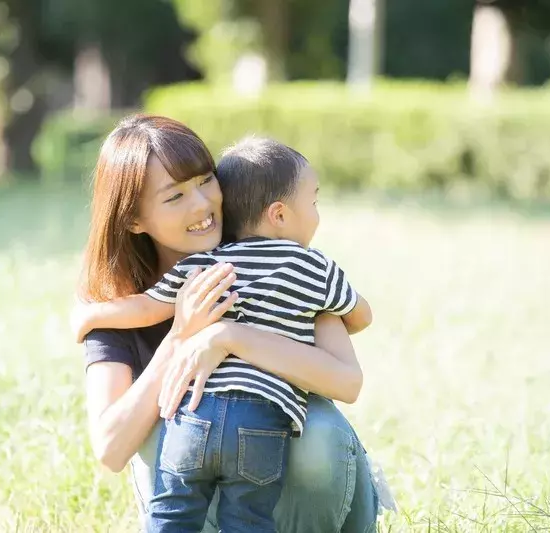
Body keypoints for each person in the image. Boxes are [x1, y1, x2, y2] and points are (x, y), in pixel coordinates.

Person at [76, 114, 385, 532]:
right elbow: (111, 449)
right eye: (175, 196)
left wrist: (230, 335)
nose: (202, 205)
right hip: (201, 498)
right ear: (134, 220)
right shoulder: (123, 306)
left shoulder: (278, 263)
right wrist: (182, 336)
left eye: (205, 180)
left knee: (318, 435)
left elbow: (347, 381)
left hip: (306, 502)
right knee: (158, 432)